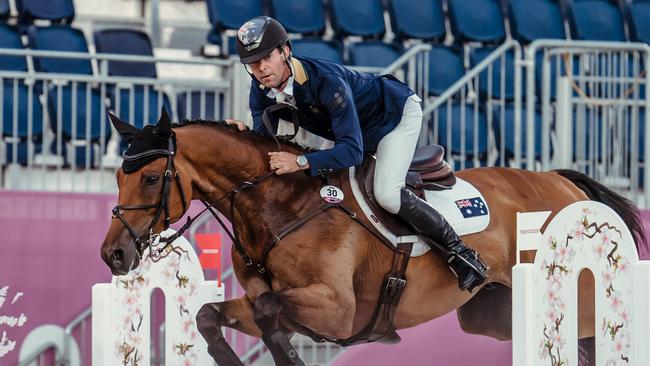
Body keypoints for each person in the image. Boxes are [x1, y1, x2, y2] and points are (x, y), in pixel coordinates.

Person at [226, 16, 488, 292]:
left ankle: (462, 255)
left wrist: (301, 161)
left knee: (387, 193)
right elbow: (266, 142)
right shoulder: (262, 90)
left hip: (392, 117)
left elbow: (352, 151)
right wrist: (241, 135)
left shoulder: (326, 82)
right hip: (354, 131)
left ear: (285, 51)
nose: (262, 68)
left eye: (267, 57)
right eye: (254, 63)